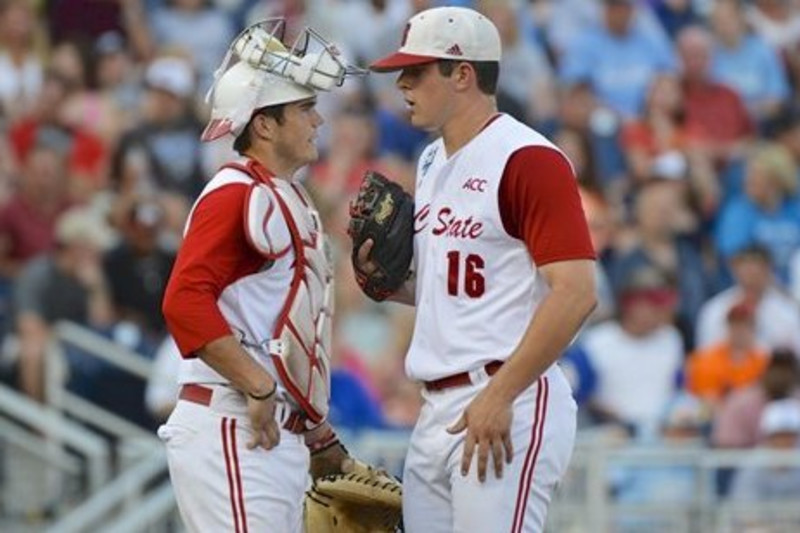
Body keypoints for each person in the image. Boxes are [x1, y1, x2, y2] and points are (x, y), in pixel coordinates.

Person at [364, 7, 597, 532]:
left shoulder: (528, 160)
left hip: (505, 392)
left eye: (417, 71)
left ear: (462, 73)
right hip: (436, 406)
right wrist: (388, 282)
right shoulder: (429, 160)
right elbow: (461, 286)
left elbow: (577, 292)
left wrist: (501, 394)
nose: (402, 83)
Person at [159, 19, 364, 532]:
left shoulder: (284, 195)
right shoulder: (235, 192)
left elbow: (283, 330)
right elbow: (183, 301)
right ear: (264, 124)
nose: (318, 120)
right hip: (233, 420)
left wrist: (317, 434)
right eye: (304, 107)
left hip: (267, 427)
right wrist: (255, 386)